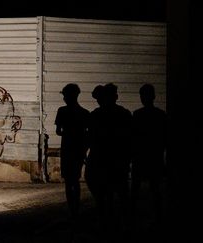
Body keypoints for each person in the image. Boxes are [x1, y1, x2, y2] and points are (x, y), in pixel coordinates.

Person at [86, 83, 133, 232]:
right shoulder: (124, 114)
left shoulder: (95, 115)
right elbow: (130, 138)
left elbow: (90, 137)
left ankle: (105, 222)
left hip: (100, 159)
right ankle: (122, 224)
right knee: (119, 192)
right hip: (118, 159)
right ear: (116, 97)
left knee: (102, 193)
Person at [131, 83, 167, 222]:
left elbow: (133, 137)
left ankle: (133, 215)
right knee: (155, 188)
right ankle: (158, 216)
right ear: (153, 96)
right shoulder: (161, 115)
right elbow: (165, 137)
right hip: (154, 156)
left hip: (140, 156)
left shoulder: (138, 115)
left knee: (136, 188)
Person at [54, 83, 89, 220]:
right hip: (79, 149)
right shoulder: (84, 113)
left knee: (69, 181)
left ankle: (71, 210)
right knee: (75, 179)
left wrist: (68, 133)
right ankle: (77, 209)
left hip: (67, 148)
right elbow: (87, 134)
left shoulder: (62, 111)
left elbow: (58, 131)